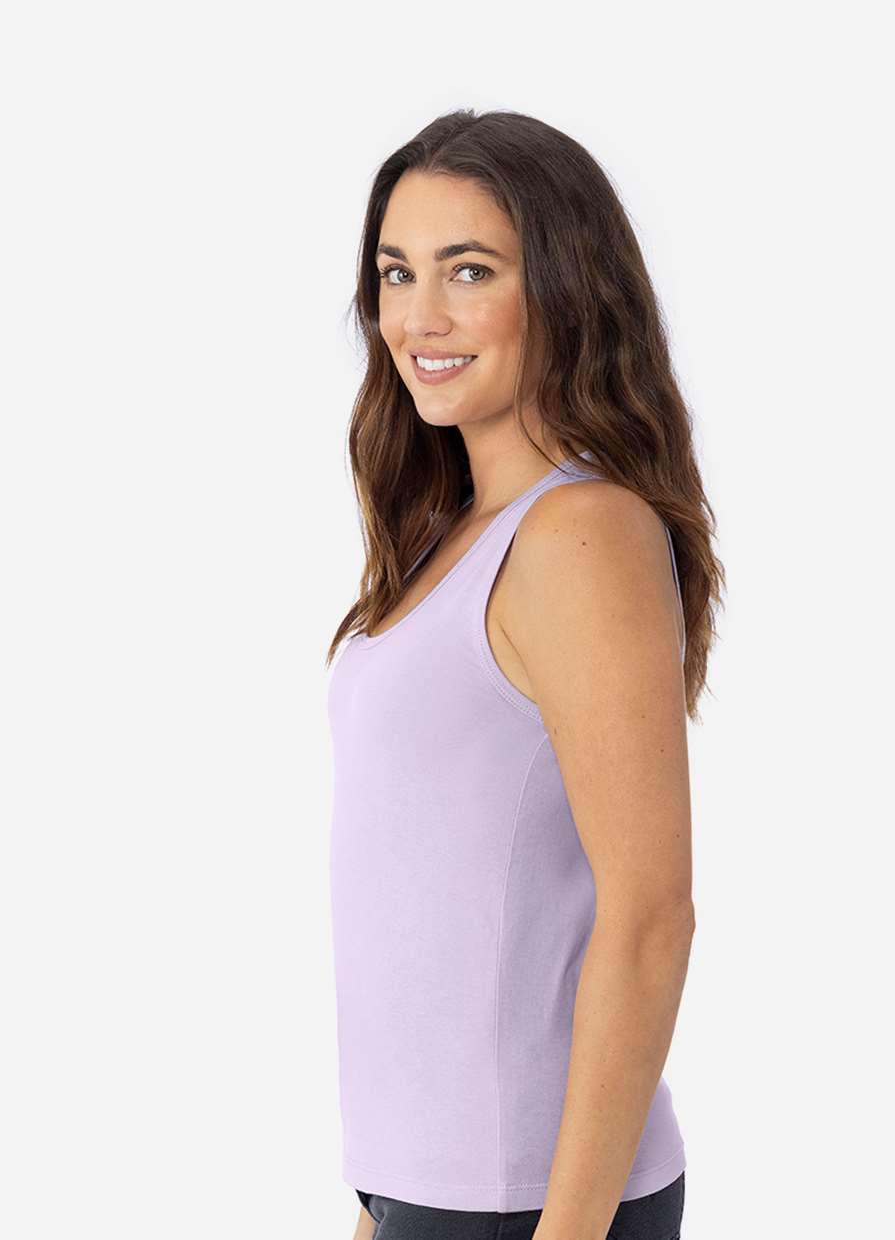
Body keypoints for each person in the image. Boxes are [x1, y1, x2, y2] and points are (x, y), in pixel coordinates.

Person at [326, 109, 724, 1240]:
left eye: (470, 271)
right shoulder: (451, 534)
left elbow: (650, 915)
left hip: (535, 1202)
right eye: (397, 272)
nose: (419, 316)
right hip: (434, 1188)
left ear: (563, 287)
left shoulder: (579, 534)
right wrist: (381, 1199)